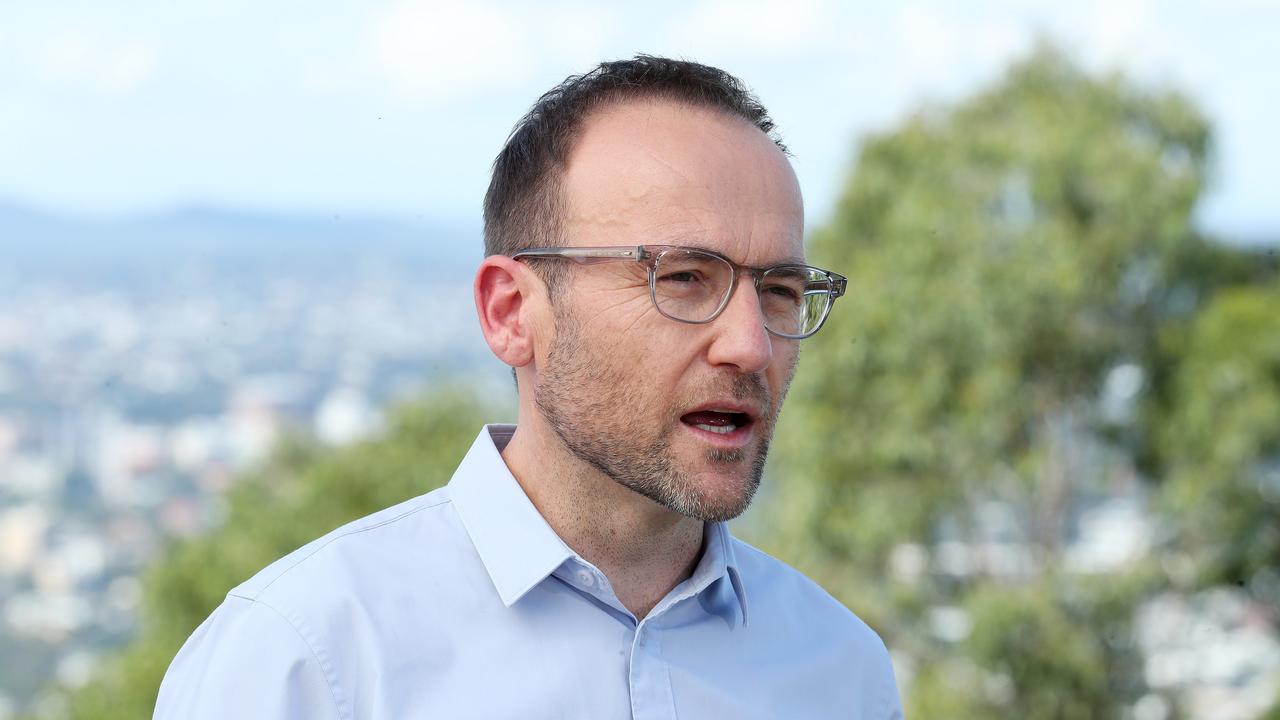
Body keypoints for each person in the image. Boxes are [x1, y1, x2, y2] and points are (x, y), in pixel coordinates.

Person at [154, 55, 903, 719]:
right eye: (681, 278)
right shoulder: (308, 660)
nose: (750, 345)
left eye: (779, 289)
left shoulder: (841, 672)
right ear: (512, 313)